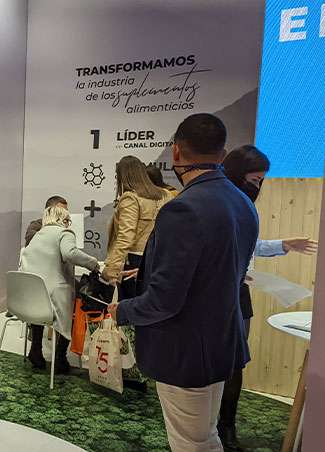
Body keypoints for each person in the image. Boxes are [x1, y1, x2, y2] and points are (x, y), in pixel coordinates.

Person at [108, 113, 258, 451]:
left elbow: (165, 300)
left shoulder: (184, 209)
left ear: (176, 152)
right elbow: (216, 270)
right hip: (221, 341)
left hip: (187, 348)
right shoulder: (242, 202)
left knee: (191, 443)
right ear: (222, 154)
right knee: (204, 435)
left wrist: (122, 311)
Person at [217, 145, 318, 451]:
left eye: (261, 181)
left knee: (235, 364)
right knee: (212, 364)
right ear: (236, 174)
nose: (257, 186)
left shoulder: (247, 208)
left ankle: (227, 426)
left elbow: (251, 246)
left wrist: (283, 245)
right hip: (214, 294)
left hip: (239, 293)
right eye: (254, 180)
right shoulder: (215, 203)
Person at [103, 156, 174, 391]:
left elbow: (125, 237)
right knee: (151, 315)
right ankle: (151, 368)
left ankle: (134, 371)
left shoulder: (130, 199)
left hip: (133, 262)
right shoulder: (165, 196)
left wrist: (111, 269)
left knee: (129, 316)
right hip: (157, 260)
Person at [19, 204, 99, 373]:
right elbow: (70, 253)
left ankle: (35, 349)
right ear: (64, 220)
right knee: (76, 305)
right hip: (53, 300)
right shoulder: (64, 233)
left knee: (43, 303)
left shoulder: (38, 235)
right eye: (68, 220)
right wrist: (93, 264)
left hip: (29, 301)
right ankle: (60, 357)